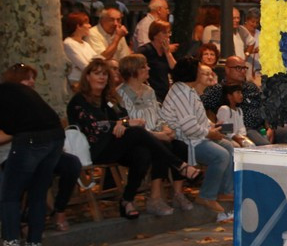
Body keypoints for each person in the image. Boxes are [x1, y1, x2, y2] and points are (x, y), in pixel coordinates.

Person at [67, 59, 198, 220]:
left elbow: (123, 117)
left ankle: (127, 200)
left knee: (143, 153)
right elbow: (95, 126)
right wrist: (121, 124)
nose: (102, 77)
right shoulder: (79, 101)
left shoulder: (109, 99)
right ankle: (180, 165)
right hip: (95, 149)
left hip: (116, 145)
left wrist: (123, 123)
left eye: (105, 74)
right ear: (87, 77)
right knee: (137, 132)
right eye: (97, 74)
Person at [1, 63, 80, 235]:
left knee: (72, 164)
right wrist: (25, 131)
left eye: (32, 79)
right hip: (11, 155)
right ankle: (23, 222)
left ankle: (59, 209)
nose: (31, 82)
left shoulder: (34, 101)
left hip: (42, 149)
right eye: (26, 78)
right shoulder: (6, 100)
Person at [115, 54, 193, 212]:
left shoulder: (149, 91)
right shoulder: (119, 93)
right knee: (162, 147)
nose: (148, 68)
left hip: (158, 133)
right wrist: (157, 135)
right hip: (137, 138)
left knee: (181, 146)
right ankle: (155, 198)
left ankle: (178, 194)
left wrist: (166, 128)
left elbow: (158, 114)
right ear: (133, 71)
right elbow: (126, 123)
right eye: (144, 66)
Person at [159, 58, 235, 220]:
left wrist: (214, 127)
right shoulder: (181, 93)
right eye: (200, 71)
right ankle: (206, 195)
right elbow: (189, 127)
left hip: (198, 136)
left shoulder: (189, 90)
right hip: (185, 140)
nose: (202, 74)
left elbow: (200, 119)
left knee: (229, 146)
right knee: (220, 155)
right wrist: (210, 133)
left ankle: (225, 191)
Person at [0, 77, 65, 246]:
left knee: (10, 195)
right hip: (56, 137)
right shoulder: (15, 89)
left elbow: (8, 132)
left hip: (31, 140)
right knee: (38, 193)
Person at [201, 56, 272, 145]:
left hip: (262, 128)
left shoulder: (251, 87)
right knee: (267, 147)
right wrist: (215, 127)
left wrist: (271, 127)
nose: (243, 71)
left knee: (286, 132)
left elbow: (265, 106)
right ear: (227, 70)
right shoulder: (218, 90)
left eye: (244, 68)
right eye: (238, 68)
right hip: (242, 131)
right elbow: (198, 108)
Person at [136, 20, 177, 102]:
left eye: (169, 32)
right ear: (155, 35)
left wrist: (168, 53)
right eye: (164, 33)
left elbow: (175, 70)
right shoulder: (145, 51)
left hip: (164, 93)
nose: (168, 35)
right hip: (149, 94)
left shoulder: (166, 52)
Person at [63, 11, 99, 87]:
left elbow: (97, 59)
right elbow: (84, 66)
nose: (90, 26)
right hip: (77, 82)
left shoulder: (86, 44)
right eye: (87, 23)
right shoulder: (68, 43)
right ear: (78, 26)